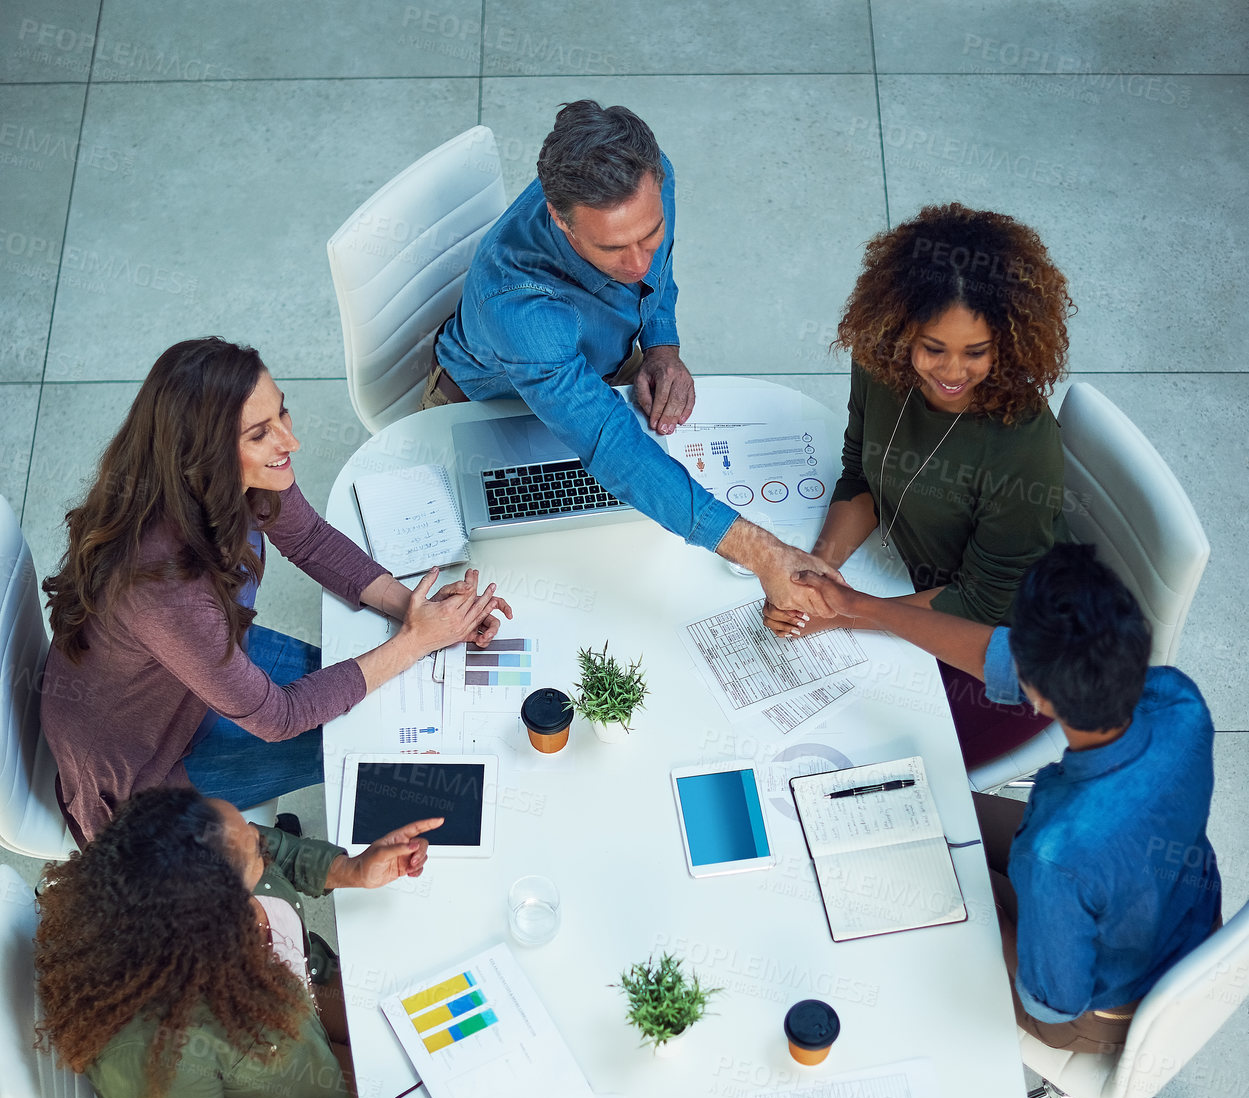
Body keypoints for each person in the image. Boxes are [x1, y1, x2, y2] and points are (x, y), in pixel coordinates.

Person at [40, 336, 512, 845]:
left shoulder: (227, 481)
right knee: (371, 737)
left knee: (384, 692)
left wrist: (413, 609)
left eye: (282, 414)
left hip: (207, 662)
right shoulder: (165, 588)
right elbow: (276, 717)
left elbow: (308, 538)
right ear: (201, 454)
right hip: (150, 768)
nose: (289, 442)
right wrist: (416, 640)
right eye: (259, 434)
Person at [422, 99, 838, 616]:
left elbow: (654, 278)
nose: (639, 263)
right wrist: (763, 553)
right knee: (536, 569)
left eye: (650, 234)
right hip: (493, 408)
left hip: (592, 365)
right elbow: (611, 443)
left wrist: (662, 346)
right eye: (615, 249)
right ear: (559, 219)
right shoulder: (518, 305)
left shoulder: (651, 178)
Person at [804, 545, 1221, 1053]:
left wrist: (970, 897)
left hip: (1091, 1008)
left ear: (1038, 699)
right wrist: (855, 606)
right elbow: (990, 655)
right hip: (1174, 914)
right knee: (917, 803)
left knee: (905, 876)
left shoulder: (1055, 851)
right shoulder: (1179, 699)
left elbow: (1052, 1000)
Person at [33, 786, 451, 1098]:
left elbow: (271, 848)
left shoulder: (184, 864)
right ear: (216, 914)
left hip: (300, 1003)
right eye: (255, 852)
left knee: (431, 1032)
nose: (262, 842)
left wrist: (352, 870)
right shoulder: (155, 1050)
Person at [766, 203, 1076, 769]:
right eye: (934, 348)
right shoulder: (879, 365)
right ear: (901, 328)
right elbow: (860, 474)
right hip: (912, 585)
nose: (953, 372)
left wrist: (847, 611)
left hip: (1005, 655)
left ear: (1005, 342)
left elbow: (985, 602)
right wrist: (814, 574)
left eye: (976, 352)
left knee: (844, 752)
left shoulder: (1022, 446)